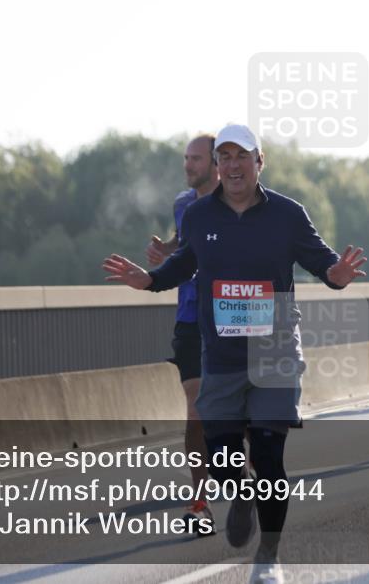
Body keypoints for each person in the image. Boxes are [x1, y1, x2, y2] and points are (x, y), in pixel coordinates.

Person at [104, 124, 367, 584]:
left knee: (268, 456)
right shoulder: (199, 216)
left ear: (258, 162)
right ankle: (241, 491)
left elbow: (322, 261)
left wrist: (338, 274)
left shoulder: (287, 214)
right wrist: (149, 279)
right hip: (221, 354)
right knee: (224, 457)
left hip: (275, 349)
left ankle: (268, 557)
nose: (231, 165)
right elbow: (184, 264)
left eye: (240, 156)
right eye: (223, 157)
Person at [145, 133, 219, 534]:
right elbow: (182, 246)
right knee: (196, 409)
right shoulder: (181, 204)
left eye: (196, 159)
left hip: (232, 317)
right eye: (185, 158)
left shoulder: (238, 204)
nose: (188, 165)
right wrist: (164, 251)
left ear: (216, 163)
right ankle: (199, 503)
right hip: (190, 316)